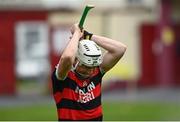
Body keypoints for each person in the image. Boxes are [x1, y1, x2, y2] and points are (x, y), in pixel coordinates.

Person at [51, 23, 127, 121]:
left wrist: (88, 36)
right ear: (76, 60)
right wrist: (76, 35)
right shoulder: (63, 76)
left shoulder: (97, 72)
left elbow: (120, 49)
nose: (90, 71)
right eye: (86, 66)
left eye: (93, 67)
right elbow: (68, 57)